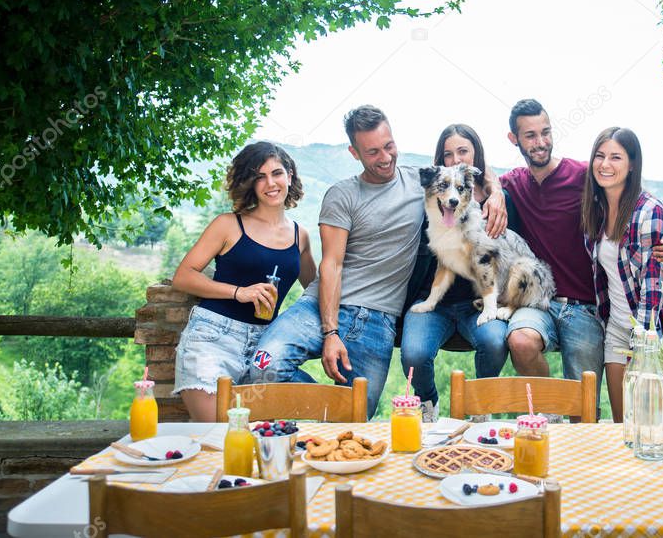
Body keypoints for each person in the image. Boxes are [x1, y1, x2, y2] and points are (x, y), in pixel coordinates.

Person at [249, 106, 506, 418]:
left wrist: (496, 193)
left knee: (354, 416)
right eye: (372, 151)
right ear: (354, 152)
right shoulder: (342, 194)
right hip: (319, 307)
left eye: (389, 146)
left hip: (377, 320)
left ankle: (331, 417)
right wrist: (331, 333)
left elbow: (469, 169)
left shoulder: (421, 183)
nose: (385, 157)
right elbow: (331, 265)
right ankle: (324, 412)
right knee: (265, 365)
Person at [501, 99, 663, 399]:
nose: (541, 142)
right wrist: (495, 193)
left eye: (545, 132)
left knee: (583, 406)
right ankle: (549, 414)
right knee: (520, 342)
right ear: (514, 139)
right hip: (538, 302)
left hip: (586, 308)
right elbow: (484, 181)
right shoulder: (514, 183)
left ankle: (580, 430)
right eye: (530, 135)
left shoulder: (584, 174)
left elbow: (635, 193)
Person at [171, 142, 315, 422]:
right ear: (249, 183)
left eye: (277, 173)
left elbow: (316, 290)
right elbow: (183, 276)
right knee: (216, 436)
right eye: (260, 177)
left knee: (273, 437)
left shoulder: (301, 236)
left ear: (290, 176)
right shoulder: (228, 224)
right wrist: (240, 293)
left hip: (267, 348)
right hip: (212, 338)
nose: (270, 183)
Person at [399, 124, 520, 420]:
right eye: (448, 154)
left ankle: (481, 408)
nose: (455, 159)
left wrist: (495, 188)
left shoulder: (498, 201)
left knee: (493, 343)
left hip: (478, 302)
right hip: (436, 301)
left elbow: (508, 252)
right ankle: (428, 406)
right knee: (413, 354)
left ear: (476, 153)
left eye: (463, 151)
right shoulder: (432, 193)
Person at [581, 127, 663, 423]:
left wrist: (642, 347)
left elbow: (652, 290)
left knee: (654, 423)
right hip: (617, 327)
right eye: (600, 156)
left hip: (656, 330)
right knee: (622, 424)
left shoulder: (649, 213)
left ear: (632, 164)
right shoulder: (596, 209)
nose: (605, 164)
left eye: (616, 157)